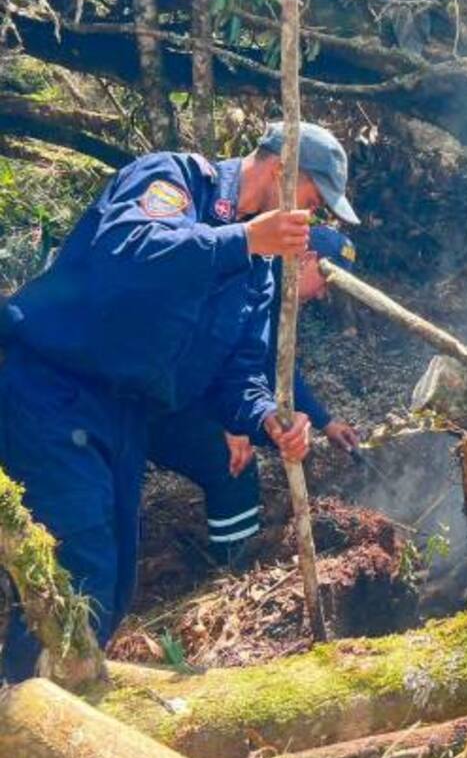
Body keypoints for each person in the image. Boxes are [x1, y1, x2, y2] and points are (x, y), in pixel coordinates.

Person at [0, 121, 359, 680]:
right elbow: (130, 248)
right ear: (281, 167)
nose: (309, 216)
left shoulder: (259, 270)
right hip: (51, 387)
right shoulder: (177, 179)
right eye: (311, 199)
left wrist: (267, 416)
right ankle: (24, 714)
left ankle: (45, 712)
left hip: (127, 414)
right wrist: (242, 240)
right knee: (79, 570)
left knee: (114, 585)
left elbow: (240, 370)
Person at [146, 226, 361, 569]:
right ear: (307, 260)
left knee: (269, 440)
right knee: (233, 465)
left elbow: (278, 368)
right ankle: (235, 570)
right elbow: (198, 354)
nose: (323, 295)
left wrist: (324, 421)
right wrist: (226, 421)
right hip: (156, 399)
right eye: (325, 281)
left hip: (201, 394)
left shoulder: (277, 293)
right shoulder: (250, 278)